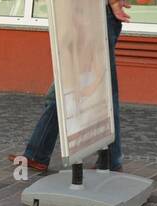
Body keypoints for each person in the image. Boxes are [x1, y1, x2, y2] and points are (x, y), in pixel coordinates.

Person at [11, 0, 129, 174]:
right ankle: (37, 154)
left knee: (101, 92)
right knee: (63, 90)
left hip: (93, 17)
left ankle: (111, 159)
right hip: (81, 15)